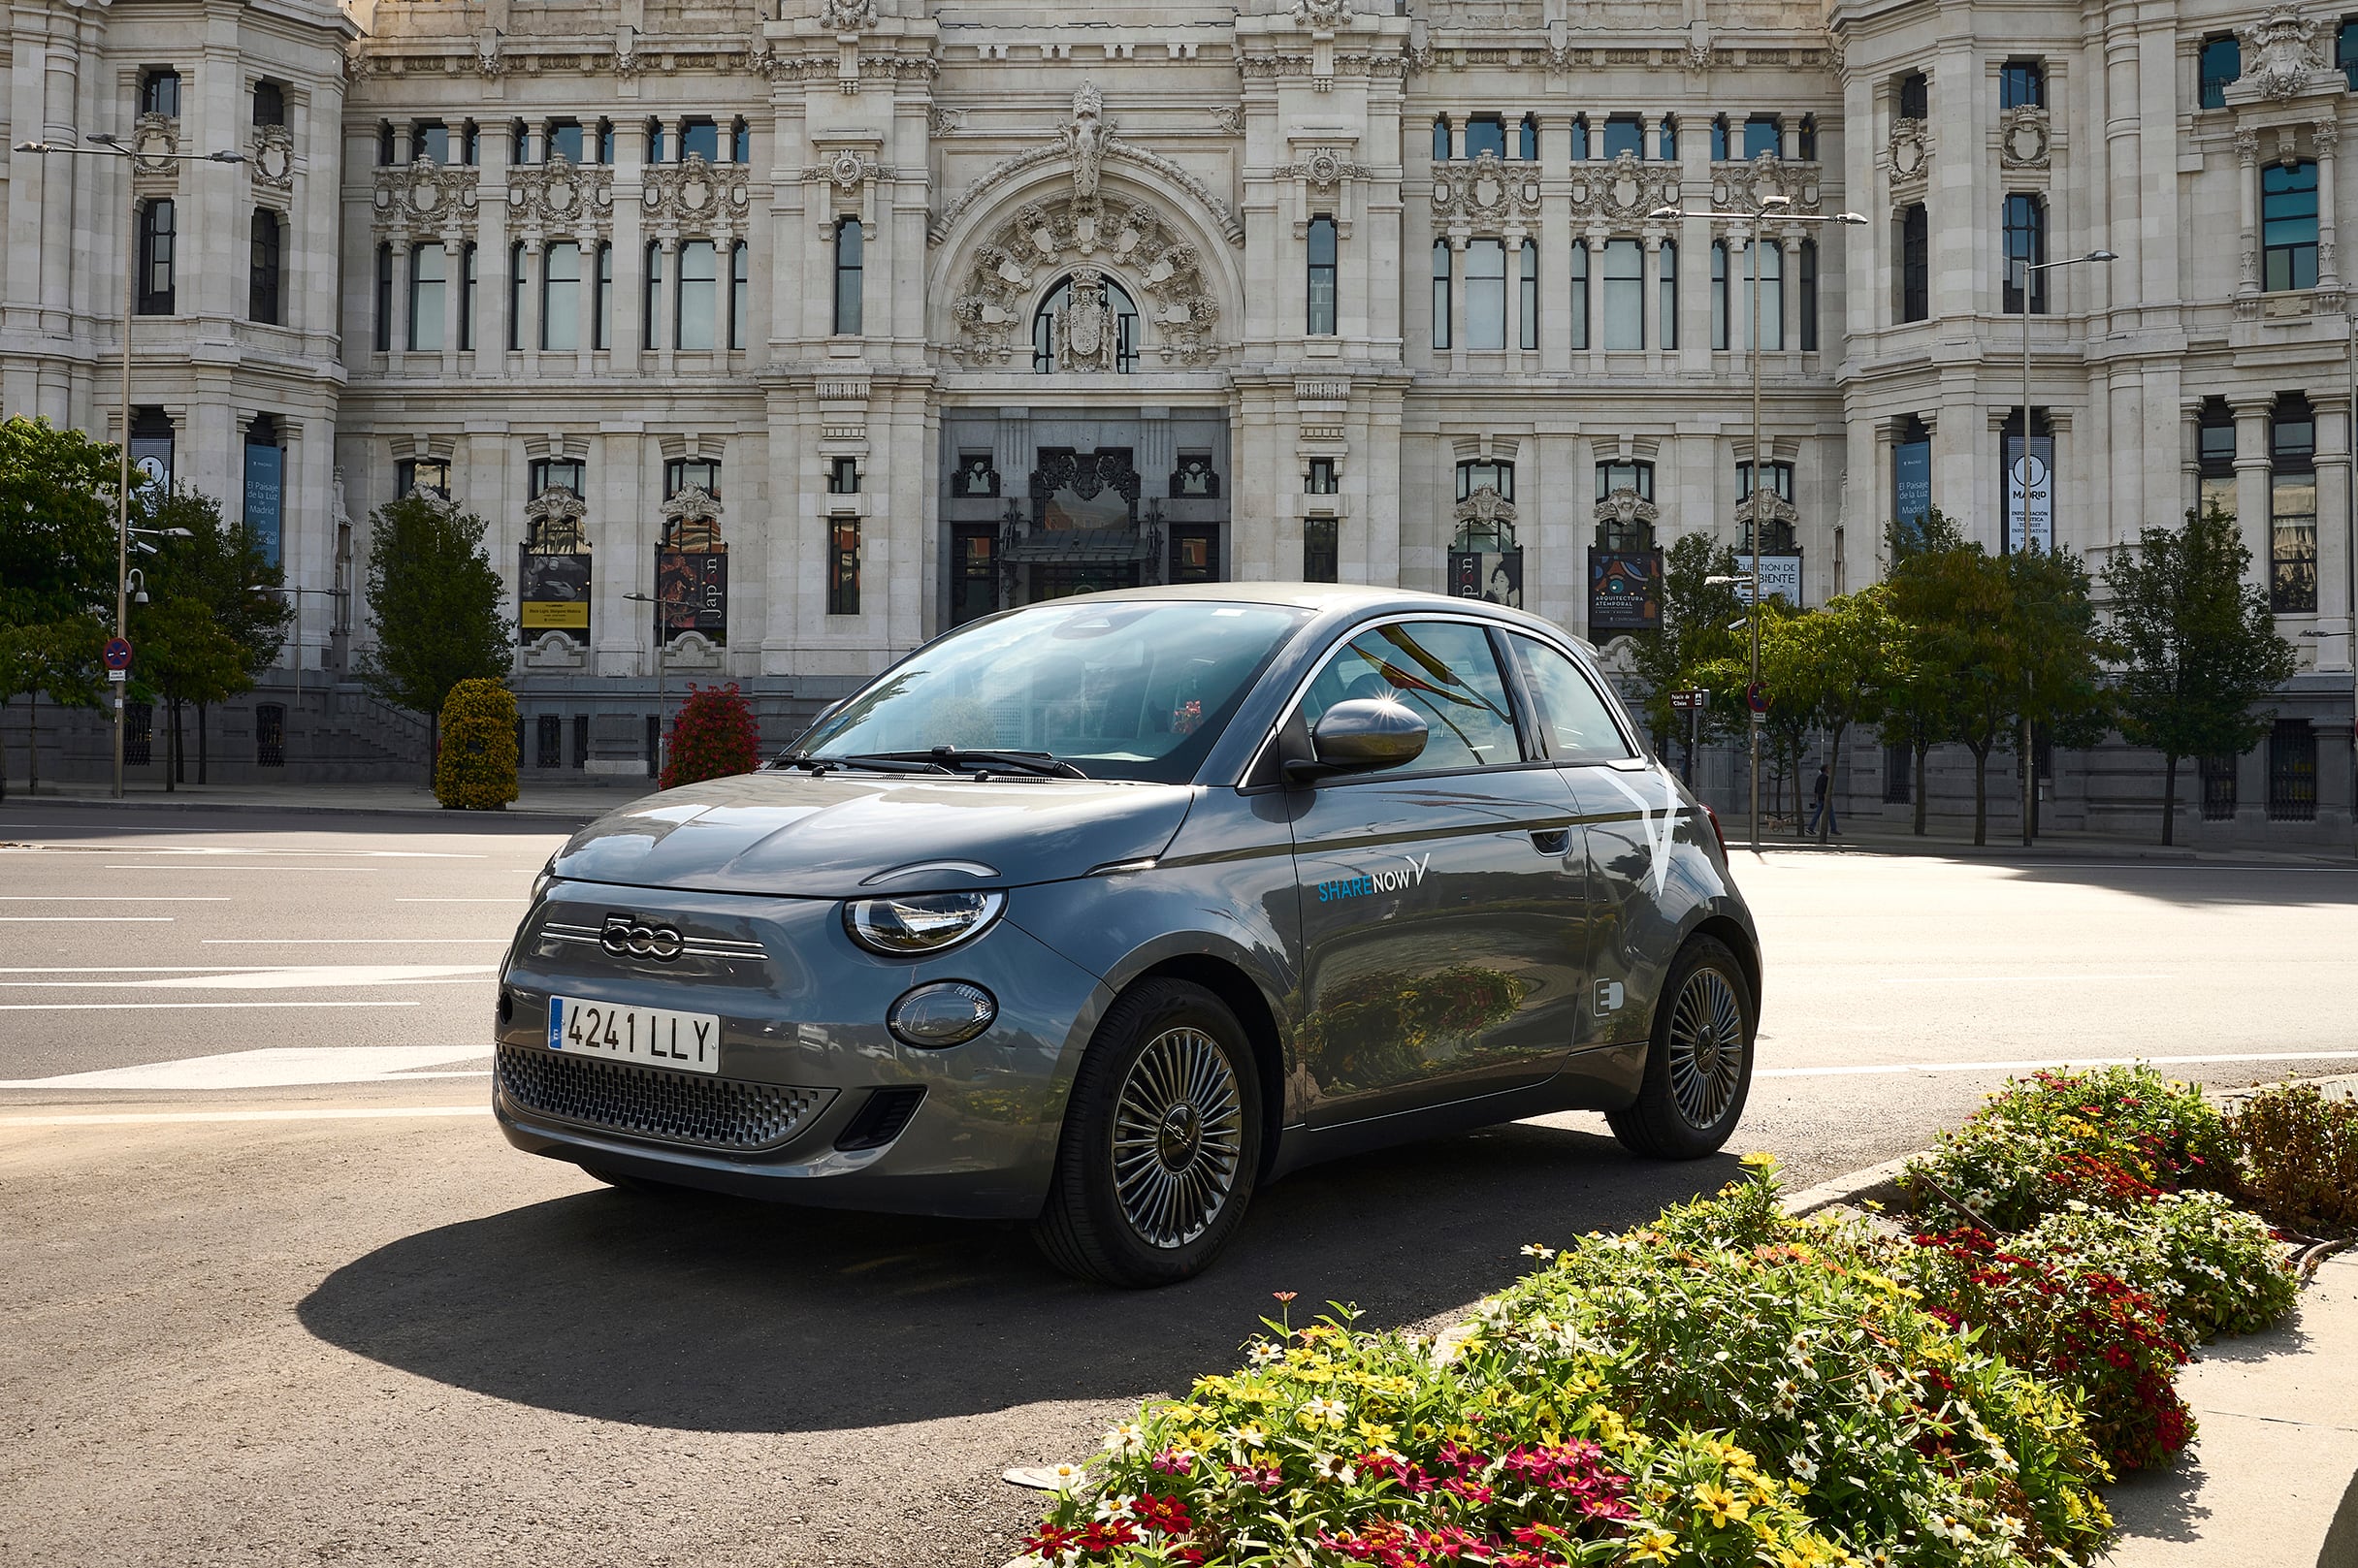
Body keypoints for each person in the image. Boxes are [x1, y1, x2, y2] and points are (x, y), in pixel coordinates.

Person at [1806, 761, 1838, 838]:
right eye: (1828, 768)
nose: (1830, 770)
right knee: (1830, 814)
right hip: (1825, 798)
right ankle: (1833, 829)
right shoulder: (1826, 778)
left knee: (1818, 813)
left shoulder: (1819, 777)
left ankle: (1811, 827)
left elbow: (1816, 789)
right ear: (1826, 770)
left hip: (1820, 798)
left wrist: (1815, 798)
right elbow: (1826, 788)